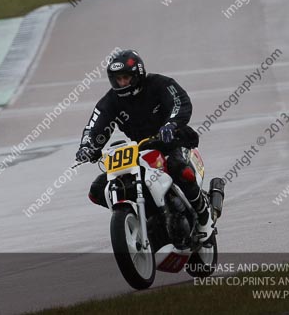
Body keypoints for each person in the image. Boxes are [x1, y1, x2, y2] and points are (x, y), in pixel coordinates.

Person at [75, 49, 212, 240]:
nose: (122, 83)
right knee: (97, 190)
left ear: (137, 74)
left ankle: (204, 214)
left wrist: (171, 124)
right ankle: (146, 215)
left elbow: (180, 102)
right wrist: (87, 147)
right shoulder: (111, 101)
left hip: (173, 140)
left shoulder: (160, 84)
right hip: (140, 149)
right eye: (117, 79)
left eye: (126, 78)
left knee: (178, 168)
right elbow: (95, 125)